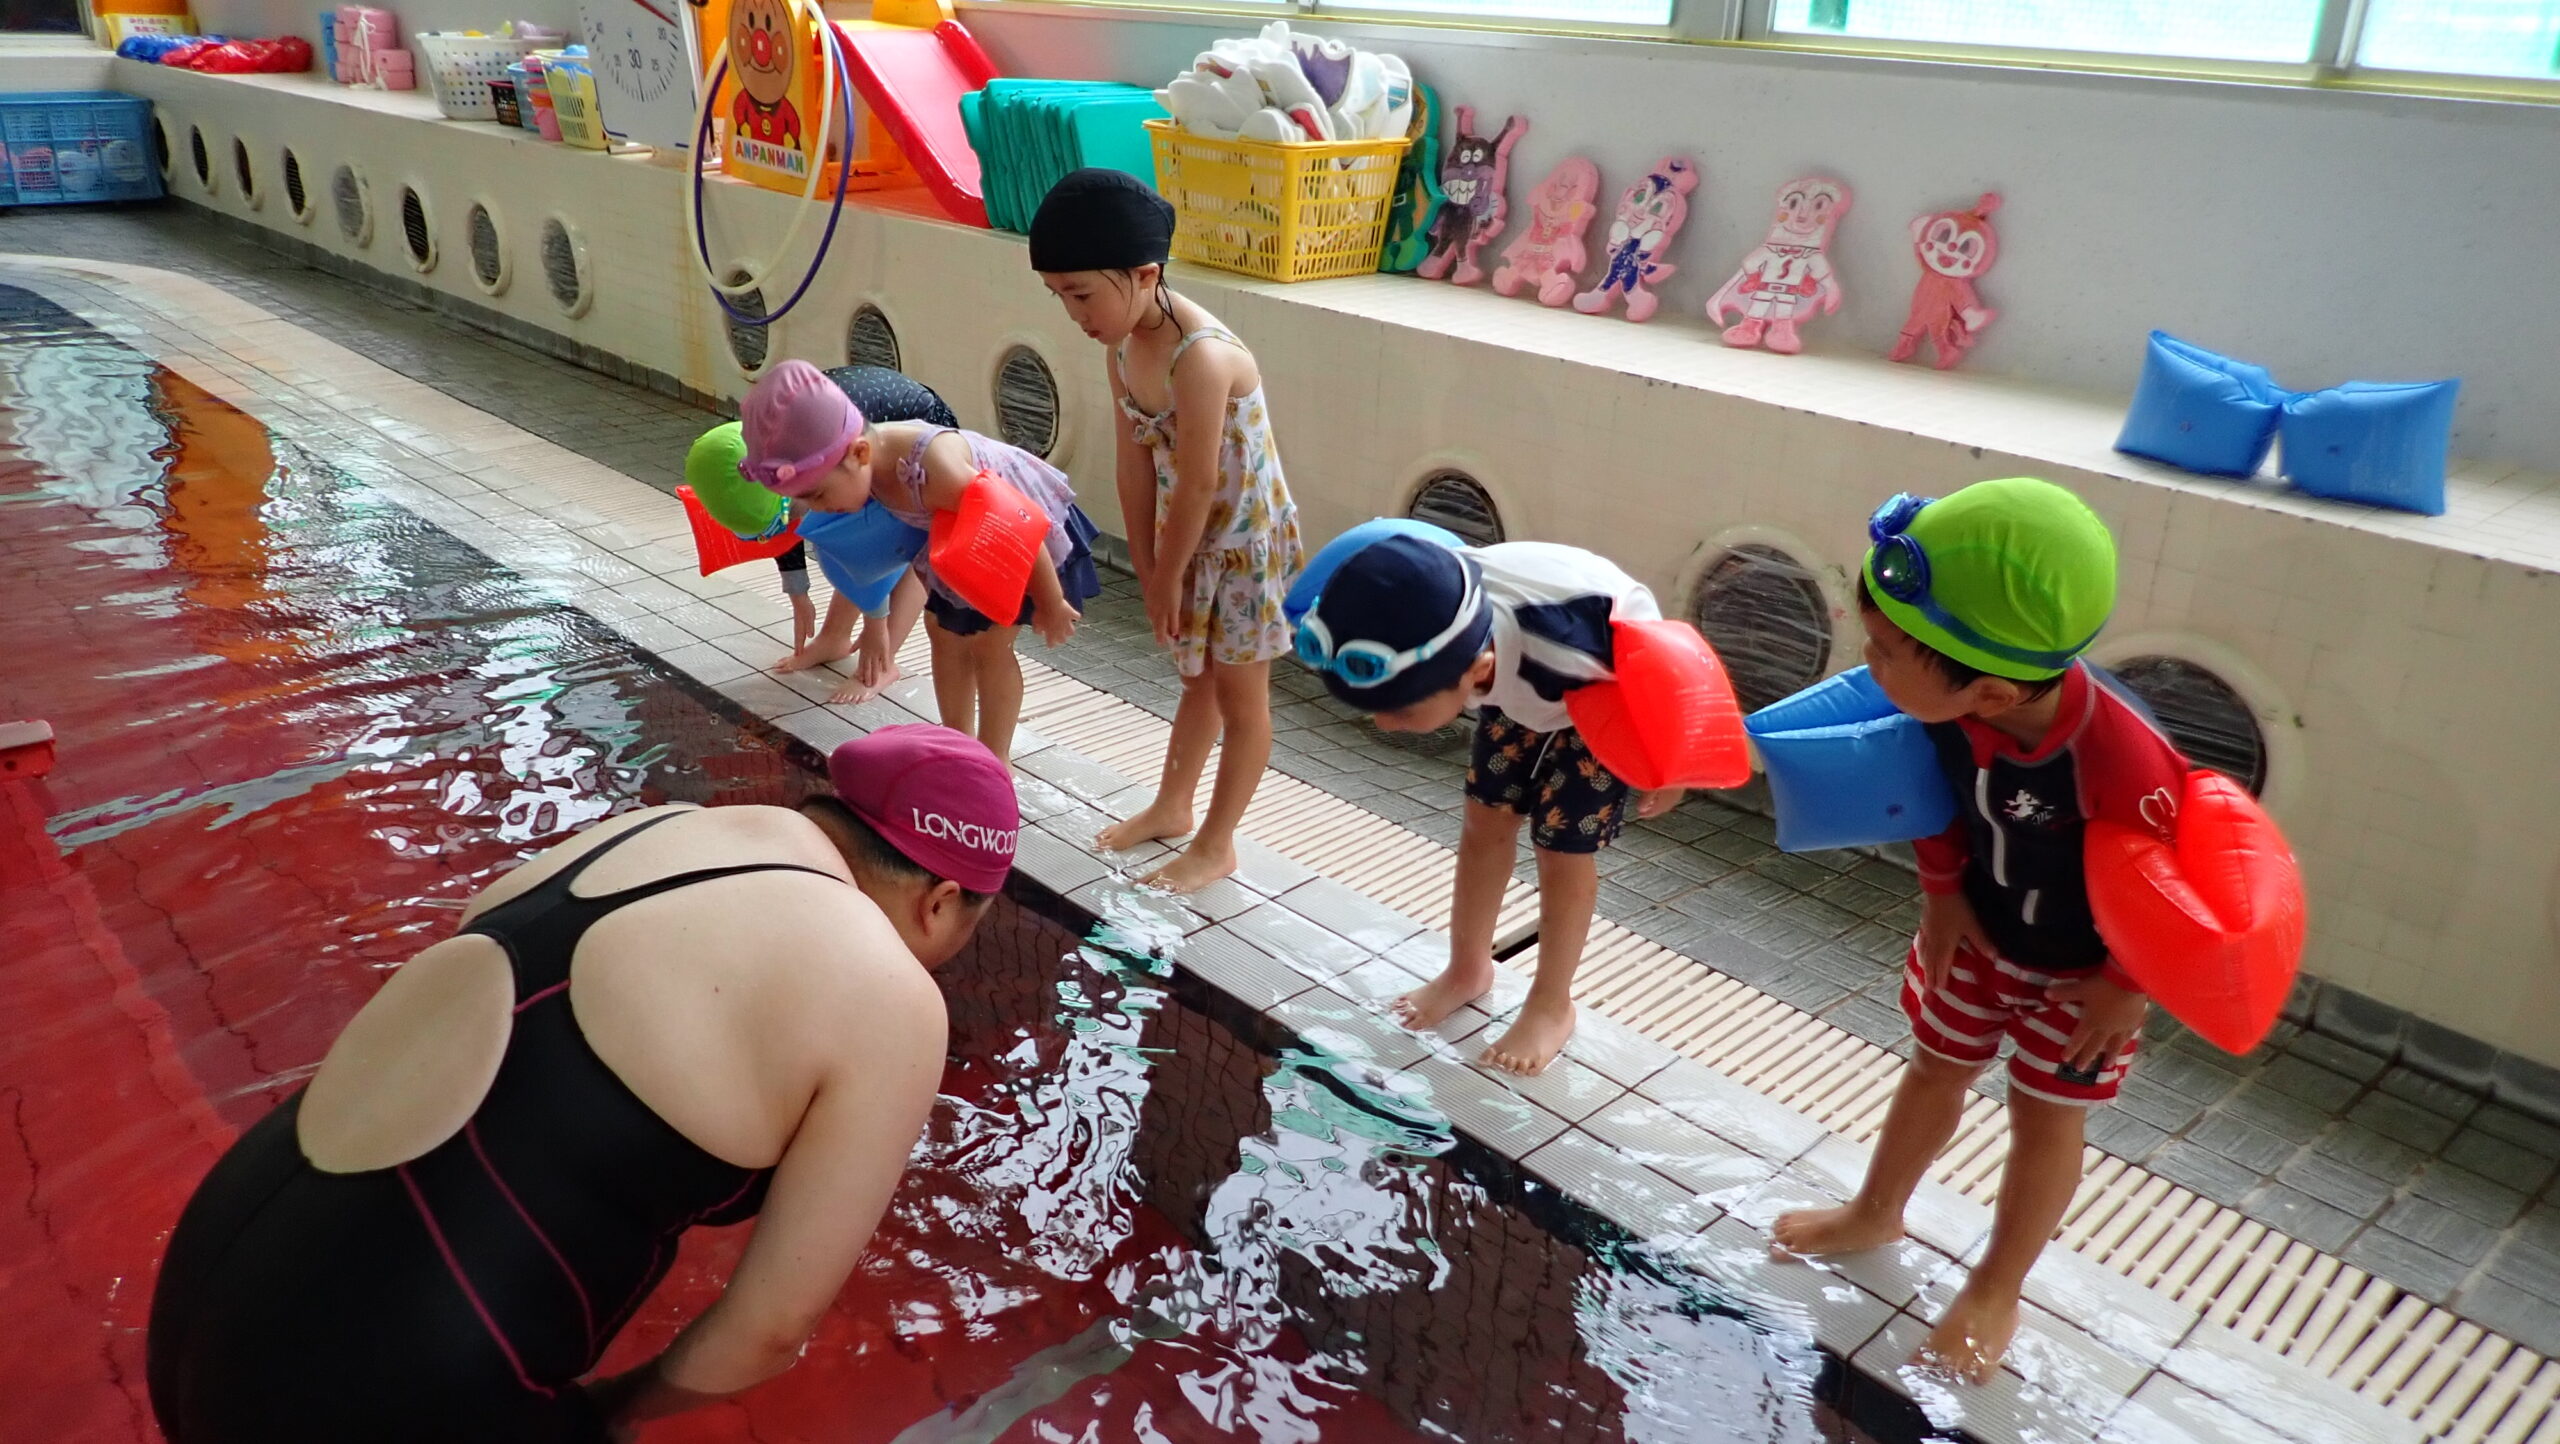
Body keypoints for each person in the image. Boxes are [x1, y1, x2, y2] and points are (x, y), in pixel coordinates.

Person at [146, 726, 1019, 1442]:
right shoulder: (889, 994)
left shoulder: (664, 829)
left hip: (214, 1278)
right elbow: (765, 1334)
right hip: (395, 1384)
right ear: (940, 901)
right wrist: (601, 1415)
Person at [1769, 477, 2183, 1382]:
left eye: (1884, 653)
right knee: (1934, 1065)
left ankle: (1997, 1287)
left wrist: (2127, 985)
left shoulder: (2122, 757)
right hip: (1980, 933)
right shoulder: (1949, 711)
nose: (1867, 663)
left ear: (1990, 692)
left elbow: (2171, 888)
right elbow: (1933, 799)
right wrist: (1943, 893)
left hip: (2089, 978)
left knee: (2046, 1117)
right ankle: (1876, 1210)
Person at [1298, 534, 1681, 1076]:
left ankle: (1552, 1004)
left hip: (1605, 695)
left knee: (1562, 850)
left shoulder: (1574, 648)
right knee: (1484, 820)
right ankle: (1468, 969)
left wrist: (1669, 762)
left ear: (1476, 674)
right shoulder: (1437, 618)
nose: (1385, 724)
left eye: (1400, 712)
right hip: (1514, 676)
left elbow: (1665, 673)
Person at [1030, 169, 1304, 892]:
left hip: (1241, 549)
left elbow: (1203, 481)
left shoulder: (1201, 358)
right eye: (1059, 296)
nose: (1075, 313)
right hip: (1188, 538)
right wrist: (1151, 572)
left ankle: (1218, 843)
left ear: (1146, 273)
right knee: (1196, 684)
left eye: (1082, 294)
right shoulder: (1121, 347)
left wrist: (1170, 576)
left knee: (1241, 698)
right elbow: (1134, 467)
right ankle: (1174, 806)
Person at [742, 360, 1100, 763]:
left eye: (819, 496)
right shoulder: (864, 471)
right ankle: (960, 747)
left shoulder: (933, 467)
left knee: (990, 646)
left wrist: (1051, 602)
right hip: (962, 541)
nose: (818, 509)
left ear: (859, 453)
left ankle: (994, 760)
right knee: (943, 634)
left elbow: (1018, 522)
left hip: (1022, 540)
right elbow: (893, 545)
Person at [686, 365, 961, 706]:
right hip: (860, 436)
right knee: (839, 529)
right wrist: (797, 590)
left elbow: (870, 549)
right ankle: (834, 637)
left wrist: (875, 625)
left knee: (909, 545)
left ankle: (882, 662)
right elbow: (789, 520)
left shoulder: (830, 454)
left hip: (920, 439)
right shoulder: (770, 450)